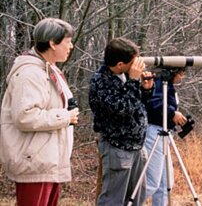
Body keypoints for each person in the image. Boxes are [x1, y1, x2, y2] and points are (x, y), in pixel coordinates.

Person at [0, 17, 79, 206]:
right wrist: (65, 117)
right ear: (52, 43)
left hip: (49, 160)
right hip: (34, 162)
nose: (71, 46)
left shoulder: (50, 70)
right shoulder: (30, 73)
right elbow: (24, 116)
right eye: (67, 42)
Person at [89, 37, 154, 206]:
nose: (136, 66)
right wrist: (133, 81)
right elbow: (123, 109)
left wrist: (146, 90)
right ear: (119, 64)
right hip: (117, 147)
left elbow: (136, 106)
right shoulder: (101, 82)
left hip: (136, 147)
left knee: (136, 198)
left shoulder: (124, 76)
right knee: (114, 200)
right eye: (132, 62)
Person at [144, 66, 188, 205]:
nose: (181, 77)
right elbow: (153, 103)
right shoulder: (158, 82)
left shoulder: (168, 85)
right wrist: (172, 113)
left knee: (165, 184)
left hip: (164, 133)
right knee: (152, 182)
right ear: (174, 71)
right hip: (154, 133)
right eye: (181, 73)